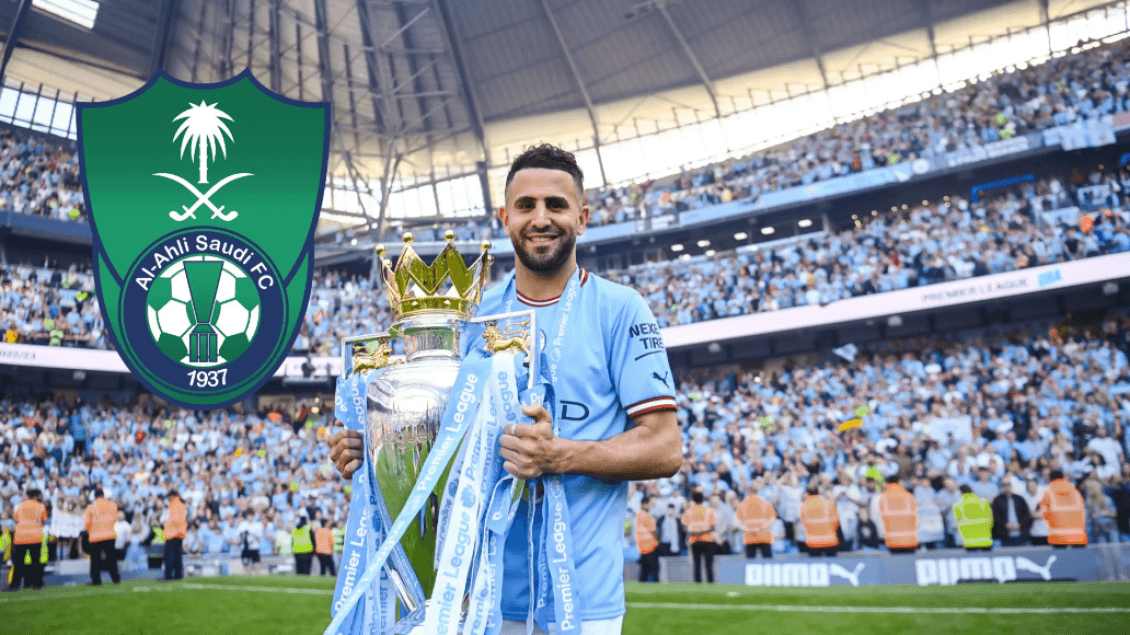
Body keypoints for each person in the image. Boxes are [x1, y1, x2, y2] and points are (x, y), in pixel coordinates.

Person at [329, 143, 682, 634]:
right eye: (526, 205)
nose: (541, 218)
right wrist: (376, 447)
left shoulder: (621, 309)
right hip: (480, 602)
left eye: (556, 205)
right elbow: (440, 443)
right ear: (505, 218)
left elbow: (665, 448)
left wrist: (559, 455)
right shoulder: (470, 320)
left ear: (582, 218)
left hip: (584, 605)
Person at [1038, 469, 1087, 547]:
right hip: (1078, 534)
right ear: (1063, 477)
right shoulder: (1075, 492)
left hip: (1058, 535)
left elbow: (1043, 513)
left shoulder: (1049, 493)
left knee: (1061, 555)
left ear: (1050, 479)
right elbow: (1082, 509)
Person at [8, 489, 46, 590]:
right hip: (35, 537)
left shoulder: (20, 505)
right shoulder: (40, 506)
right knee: (35, 562)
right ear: (36, 496)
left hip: (20, 537)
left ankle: (15, 584)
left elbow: (16, 518)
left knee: (18, 563)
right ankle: (37, 583)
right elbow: (43, 518)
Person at [83, 488, 120, 585]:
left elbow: (86, 523)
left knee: (95, 559)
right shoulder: (112, 505)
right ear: (104, 495)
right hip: (109, 535)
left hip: (95, 537)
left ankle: (96, 580)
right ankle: (116, 578)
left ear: (95, 496)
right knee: (111, 558)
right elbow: (115, 518)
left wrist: (91, 531)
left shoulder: (91, 507)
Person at [877, 475, 918, 553]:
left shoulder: (883, 498)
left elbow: (879, 518)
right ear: (899, 482)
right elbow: (916, 516)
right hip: (910, 540)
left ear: (887, 483)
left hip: (892, 541)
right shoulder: (909, 496)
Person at [682, 491, 717, 583]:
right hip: (707, 539)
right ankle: (710, 583)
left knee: (696, 563)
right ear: (702, 499)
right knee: (709, 564)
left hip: (695, 540)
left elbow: (685, 527)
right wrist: (703, 530)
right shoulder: (709, 510)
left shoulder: (688, 512)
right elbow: (713, 526)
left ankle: (698, 584)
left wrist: (694, 531)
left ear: (693, 500)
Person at [735, 488, 775, 559]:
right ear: (758, 491)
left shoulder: (742, 505)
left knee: (750, 561)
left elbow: (739, 523)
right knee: (767, 560)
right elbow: (772, 519)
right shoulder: (766, 503)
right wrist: (761, 528)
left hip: (750, 536)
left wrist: (750, 529)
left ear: (748, 492)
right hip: (764, 535)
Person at [799, 485, 838, 556]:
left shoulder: (804, 505)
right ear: (819, 492)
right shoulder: (828, 503)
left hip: (813, 542)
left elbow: (803, 522)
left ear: (808, 493)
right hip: (829, 540)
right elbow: (835, 520)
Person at [991, 479, 1031, 547]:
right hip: (1004, 536)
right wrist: (1005, 525)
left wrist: (1020, 524)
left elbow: (1026, 514)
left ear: (1011, 486)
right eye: (1004, 485)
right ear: (1002, 487)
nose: (1006, 487)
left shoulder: (1019, 499)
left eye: (1008, 485)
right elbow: (995, 516)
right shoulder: (998, 500)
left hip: (1021, 535)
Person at [953, 485, 992, 551]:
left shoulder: (958, 505)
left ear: (960, 492)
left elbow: (958, 522)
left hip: (969, 542)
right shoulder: (984, 502)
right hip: (985, 540)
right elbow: (990, 519)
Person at [162, 490, 187, 581]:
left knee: (169, 556)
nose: (169, 498)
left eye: (169, 496)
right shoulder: (181, 504)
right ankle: (178, 575)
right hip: (179, 533)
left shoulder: (174, 504)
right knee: (177, 556)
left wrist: (165, 522)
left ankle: (168, 576)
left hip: (172, 533)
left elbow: (174, 519)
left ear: (172, 496)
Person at [634, 497, 659, 583]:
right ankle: (656, 583)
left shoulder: (638, 515)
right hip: (649, 543)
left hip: (641, 544)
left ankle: (642, 583)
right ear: (645, 504)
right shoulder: (647, 516)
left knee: (644, 567)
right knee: (654, 567)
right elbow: (653, 529)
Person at [237, 510, 265, 575]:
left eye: (251, 515)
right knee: (245, 566)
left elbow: (259, 537)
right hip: (245, 547)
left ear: (253, 516)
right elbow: (238, 536)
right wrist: (243, 535)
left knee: (257, 566)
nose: (250, 517)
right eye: (249, 515)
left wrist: (253, 535)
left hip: (254, 547)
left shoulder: (258, 525)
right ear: (247, 516)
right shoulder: (242, 524)